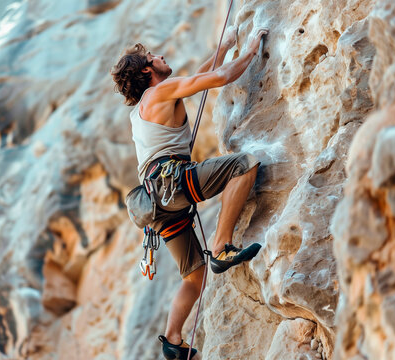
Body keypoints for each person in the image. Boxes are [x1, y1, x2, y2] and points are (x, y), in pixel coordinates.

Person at [112, 27, 269, 360]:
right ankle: (221, 246)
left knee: (193, 277)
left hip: (155, 204)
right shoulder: (161, 93)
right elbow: (219, 77)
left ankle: (173, 339)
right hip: (172, 183)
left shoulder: (144, 107)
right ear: (146, 69)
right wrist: (252, 48)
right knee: (246, 164)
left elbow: (197, 77)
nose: (161, 56)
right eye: (154, 56)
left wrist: (224, 45)